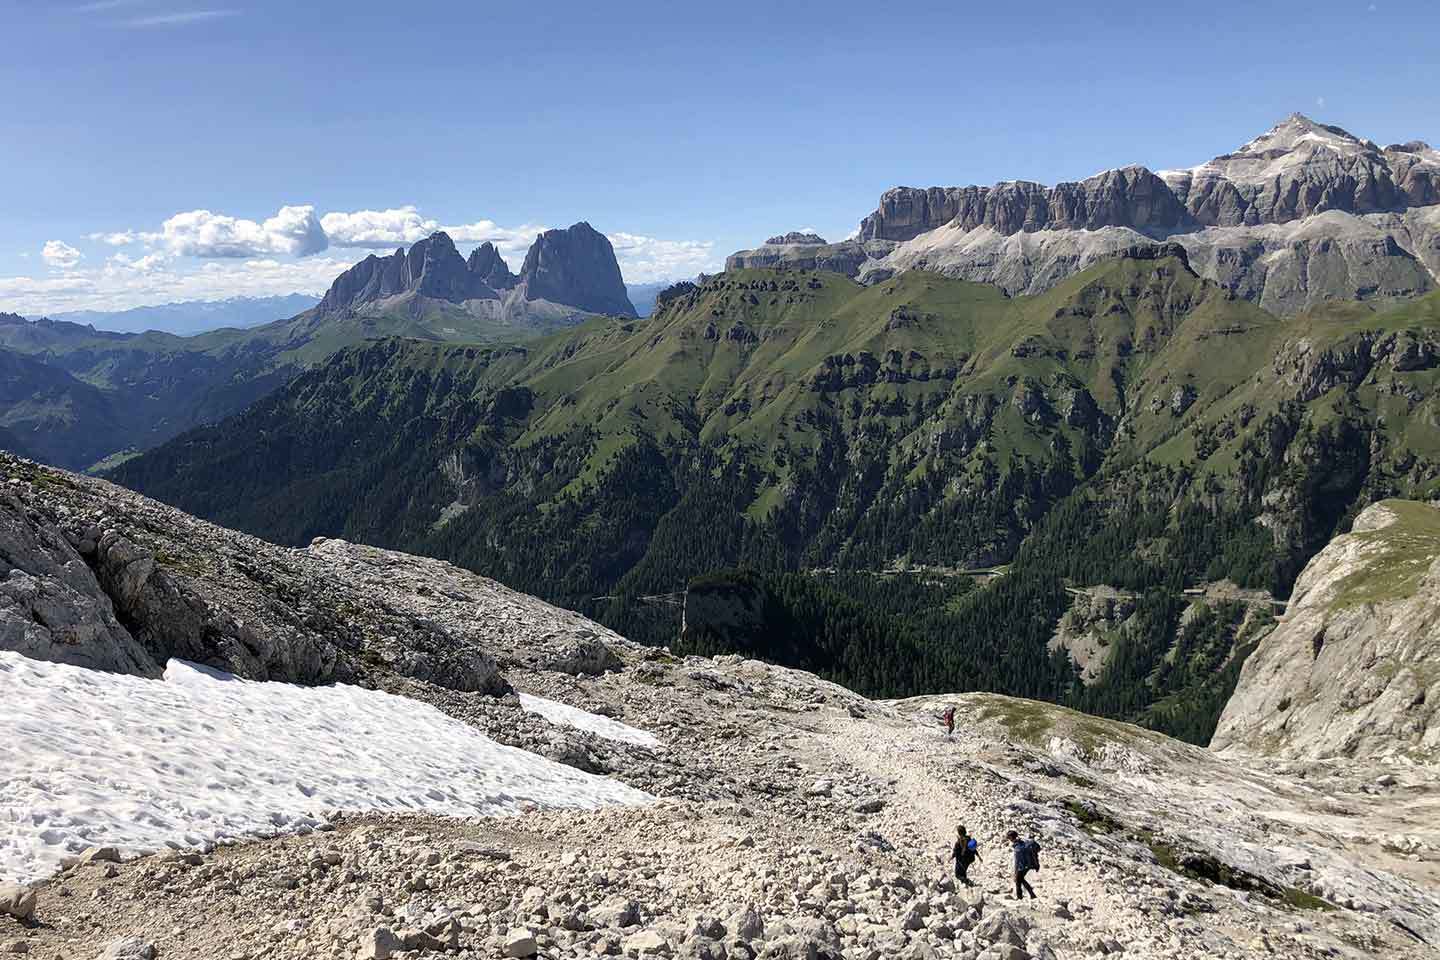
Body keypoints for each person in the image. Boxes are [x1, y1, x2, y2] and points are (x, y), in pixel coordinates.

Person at [1007, 829, 1039, 900]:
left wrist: (1016, 872)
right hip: (1027, 865)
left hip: (1022, 866)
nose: (1009, 839)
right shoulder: (1021, 843)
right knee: (1020, 879)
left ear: (1011, 837)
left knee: (1018, 880)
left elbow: (1017, 861)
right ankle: (1031, 894)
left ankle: (1020, 897)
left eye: (1009, 837)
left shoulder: (1017, 848)